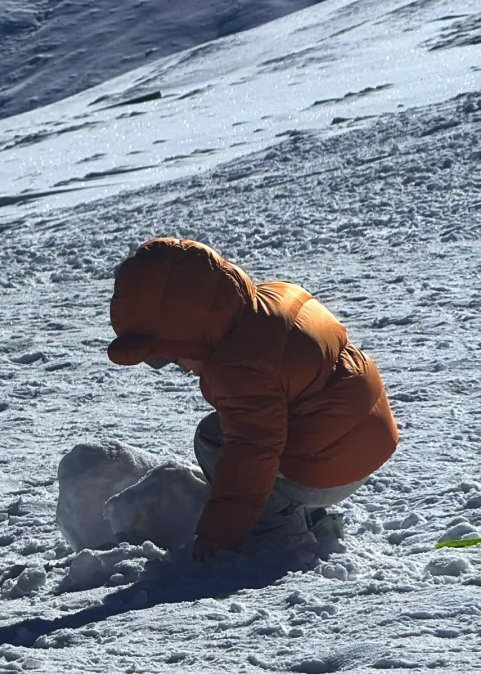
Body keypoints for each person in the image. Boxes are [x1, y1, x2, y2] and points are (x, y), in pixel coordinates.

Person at [106, 237, 398, 560]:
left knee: (214, 440)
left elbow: (250, 455)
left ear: (186, 335)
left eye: (170, 357)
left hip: (332, 466)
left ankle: (277, 532)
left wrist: (218, 535)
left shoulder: (241, 365)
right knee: (237, 431)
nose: (181, 368)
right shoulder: (269, 302)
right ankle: (307, 517)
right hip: (366, 438)